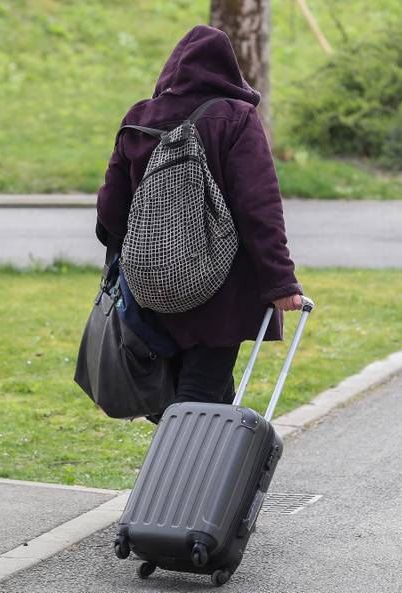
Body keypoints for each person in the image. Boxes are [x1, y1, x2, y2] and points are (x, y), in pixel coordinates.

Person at [95, 25, 302, 420]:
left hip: (152, 288)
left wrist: (151, 254)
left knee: (205, 394)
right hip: (220, 293)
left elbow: (109, 212)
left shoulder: (140, 117)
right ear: (229, 71)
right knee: (198, 398)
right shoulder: (236, 118)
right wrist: (281, 282)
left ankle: (222, 477)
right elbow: (259, 208)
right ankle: (176, 480)